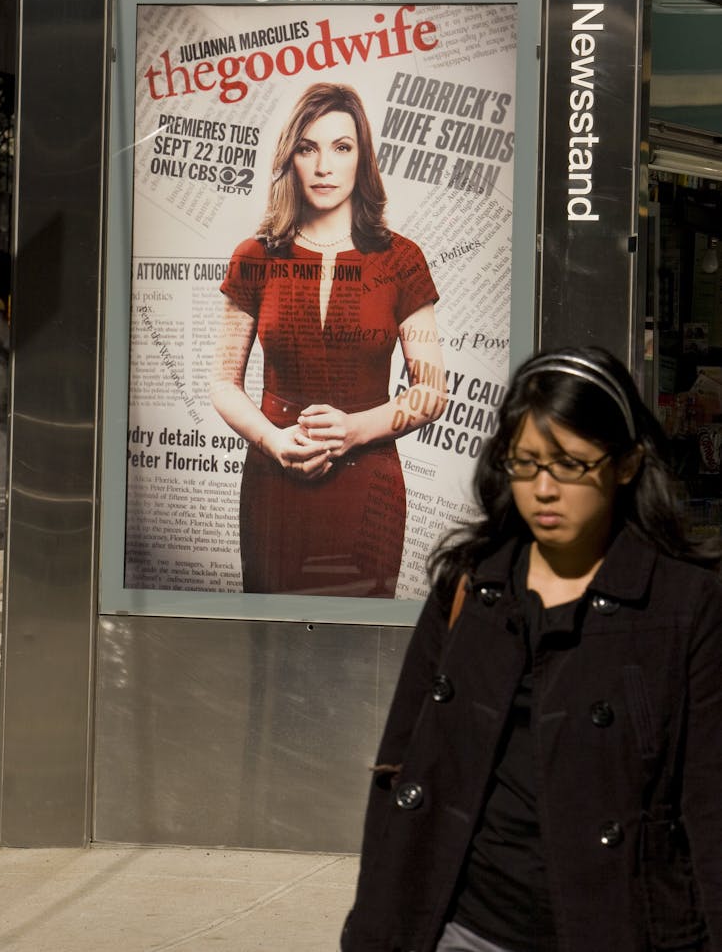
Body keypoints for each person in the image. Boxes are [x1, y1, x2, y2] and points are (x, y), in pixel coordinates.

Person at [342, 346, 722, 951]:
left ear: (625, 465)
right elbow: (402, 769)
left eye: (571, 466)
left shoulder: (684, 605)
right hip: (464, 928)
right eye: (526, 463)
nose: (545, 490)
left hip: (616, 926)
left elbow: (708, 802)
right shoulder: (470, 584)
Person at [211, 82, 447, 596]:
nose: (323, 166)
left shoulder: (402, 260)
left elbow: (431, 392)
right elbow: (224, 385)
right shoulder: (254, 256)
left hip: (368, 488)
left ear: (362, 158)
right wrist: (273, 441)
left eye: (341, 147)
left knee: (360, 656)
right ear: (289, 158)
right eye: (307, 147)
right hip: (275, 480)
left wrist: (355, 430)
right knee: (269, 652)